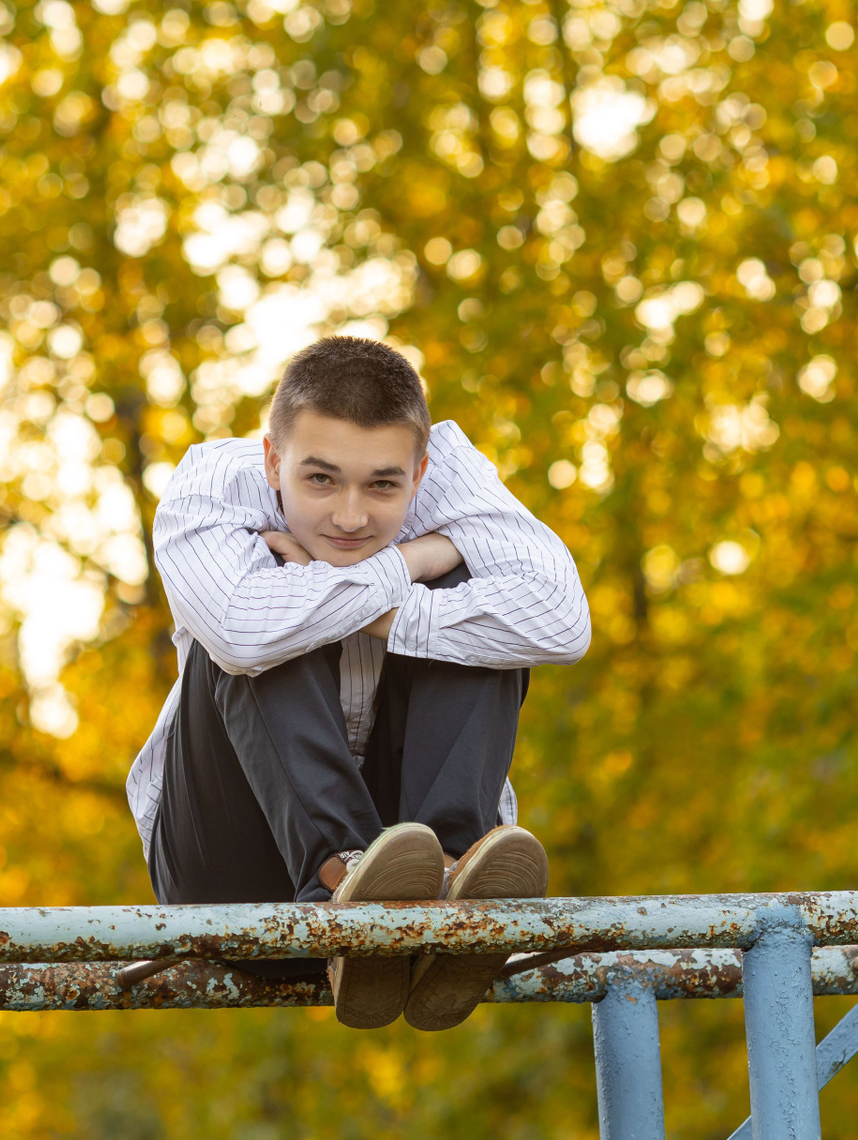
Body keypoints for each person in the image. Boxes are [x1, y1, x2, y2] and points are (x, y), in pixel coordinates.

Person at [126, 335, 591, 1030]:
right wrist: (410, 562)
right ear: (272, 459)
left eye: (382, 485)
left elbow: (561, 621)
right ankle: (345, 878)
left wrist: (379, 606)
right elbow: (241, 630)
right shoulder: (215, 480)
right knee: (260, 615)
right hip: (232, 871)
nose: (350, 516)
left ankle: (443, 876)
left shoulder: (454, 477)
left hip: (404, 830)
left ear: (421, 471)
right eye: (320, 480)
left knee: (482, 593)